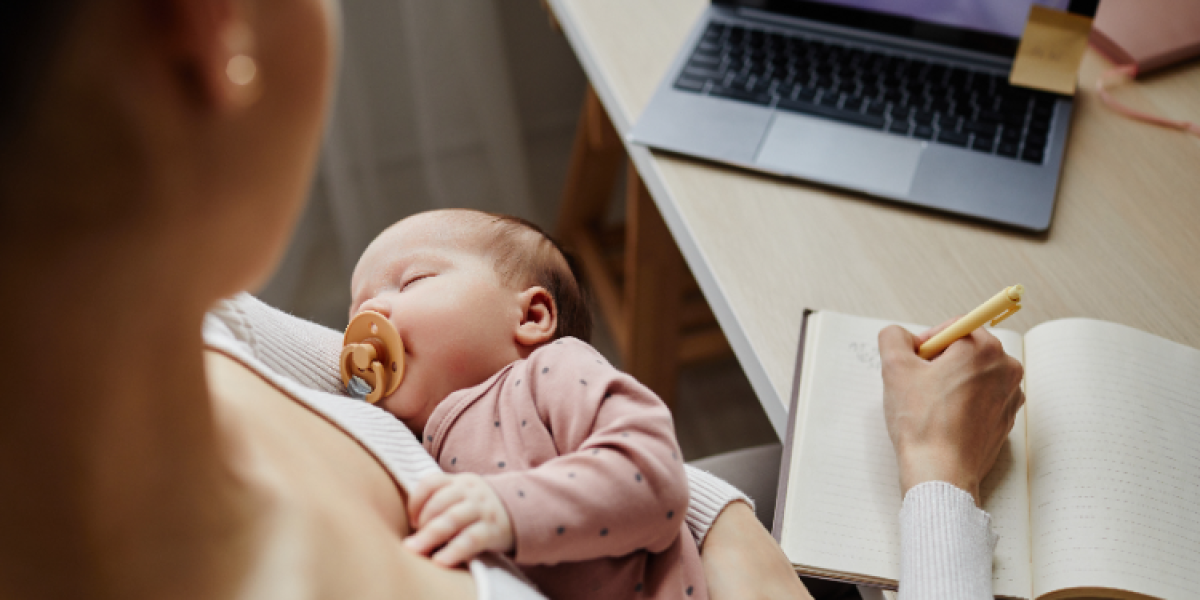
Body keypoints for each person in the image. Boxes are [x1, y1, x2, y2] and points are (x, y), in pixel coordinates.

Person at [0, 0, 1023, 598]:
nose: (372, 318)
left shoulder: (191, 321)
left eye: (410, 282)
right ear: (208, 38)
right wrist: (937, 478)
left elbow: (641, 463)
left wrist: (719, 526)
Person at [346, 208, 706, 599]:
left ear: (531, 316)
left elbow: (652, 479)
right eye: (355, 311)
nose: (369, 314)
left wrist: (509, 509)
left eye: (412, 281)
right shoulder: (403, 438)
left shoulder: (550, 373)